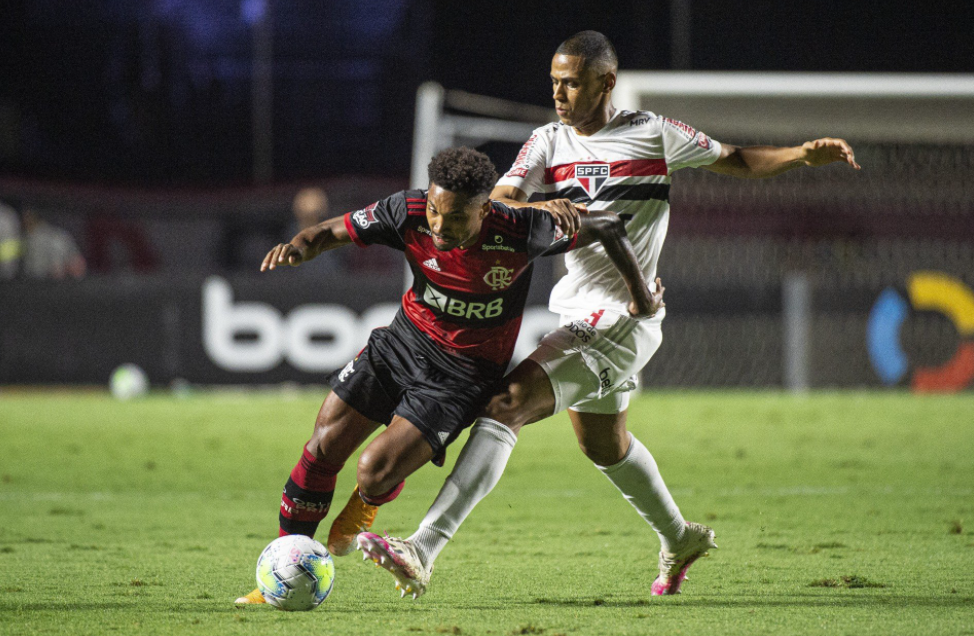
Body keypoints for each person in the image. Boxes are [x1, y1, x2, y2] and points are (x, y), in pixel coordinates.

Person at [353, 30, 861, 599]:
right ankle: (680, 536)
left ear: (606, 82)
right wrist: (542, 203)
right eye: (554, 82)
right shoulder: (548, 140)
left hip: (623, 319)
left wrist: (799, 155)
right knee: (604, 444)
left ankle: (423, 548)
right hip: (574, 310)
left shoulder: (653, 134)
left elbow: (735, 158)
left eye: (571, 82)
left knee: (506, 405)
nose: (559, 94)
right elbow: (500, 201)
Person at [235, 146, 661, 605]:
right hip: (401, 344)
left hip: (461, 376)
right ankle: (278, 570)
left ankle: (367, 503)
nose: (439, 226)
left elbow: (611, 226)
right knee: (322, 446)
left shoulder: (524, 229)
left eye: (456, 218)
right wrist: (300, 247)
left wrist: (640, 297)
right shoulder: (408, 210)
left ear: (484, 209)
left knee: (373, 472)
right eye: (436, 212)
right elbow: (332, 230)